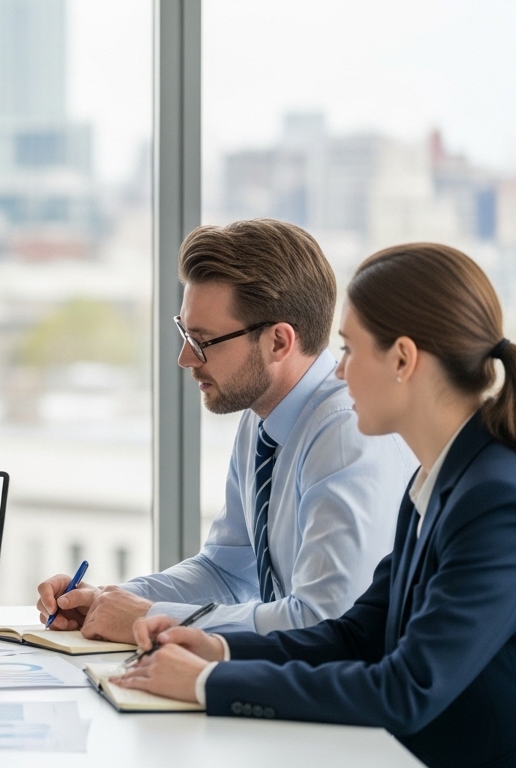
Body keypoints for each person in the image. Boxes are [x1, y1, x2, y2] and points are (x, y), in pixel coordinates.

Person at [114, 243, 516, 768]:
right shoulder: (437, 477)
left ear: (402, 359)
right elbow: (355, 633)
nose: (340, 372)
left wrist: (210, 683)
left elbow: (406, 689)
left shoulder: (493, 500)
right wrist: (219, 649)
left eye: (349, 350)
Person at [38, 220, 415, 639]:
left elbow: (323, 620)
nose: (185, 358)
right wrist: (111, 601)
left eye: (202, 340)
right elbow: (227, 572)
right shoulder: (261, 417)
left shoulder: (347, 435)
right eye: (184, 332)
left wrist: (149, 618)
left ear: (278, 342)